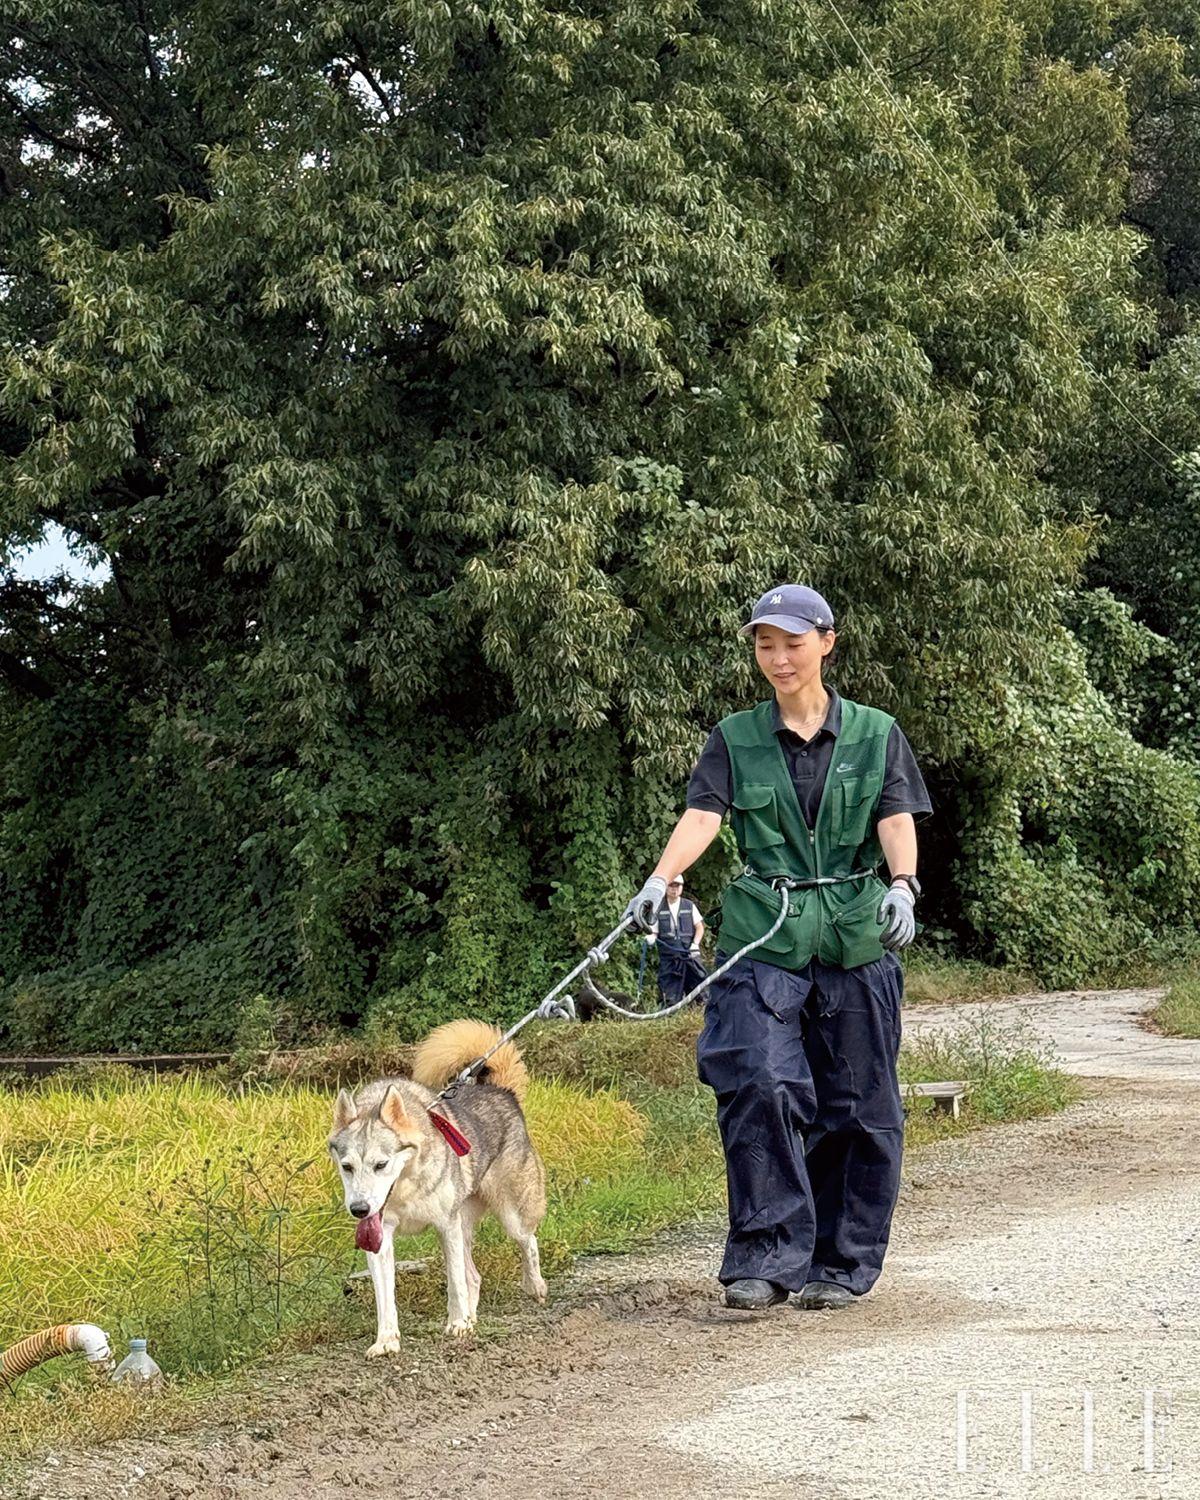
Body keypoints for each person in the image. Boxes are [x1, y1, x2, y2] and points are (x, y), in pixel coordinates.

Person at [623, 584, 931, 1312]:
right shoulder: (735, 737)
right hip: (765, 932)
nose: (779, 657)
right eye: (766, 644)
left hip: (856, 932)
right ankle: (765, 1257)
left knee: (857, 1103)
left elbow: (895, 818)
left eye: (793, 643)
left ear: (826, 643)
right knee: (757, 1080)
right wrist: (661, 878)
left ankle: (839, 1263)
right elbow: (703, 815)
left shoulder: (876, 732)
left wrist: (903, 886)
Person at [646, 877, 708, 1004]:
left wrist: (695, 944)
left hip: (689, 954)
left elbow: (700, 927)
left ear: (682, 887)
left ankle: (697, 1009)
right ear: (666, 887)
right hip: (669, 957)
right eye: (671, 886)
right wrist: (651, 937)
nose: (674, 890)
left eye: (677, 886)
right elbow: (654, 931)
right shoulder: (658, 907)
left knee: (699, 987)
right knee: (668, 992)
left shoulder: (689, 905)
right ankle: (670, 1010)